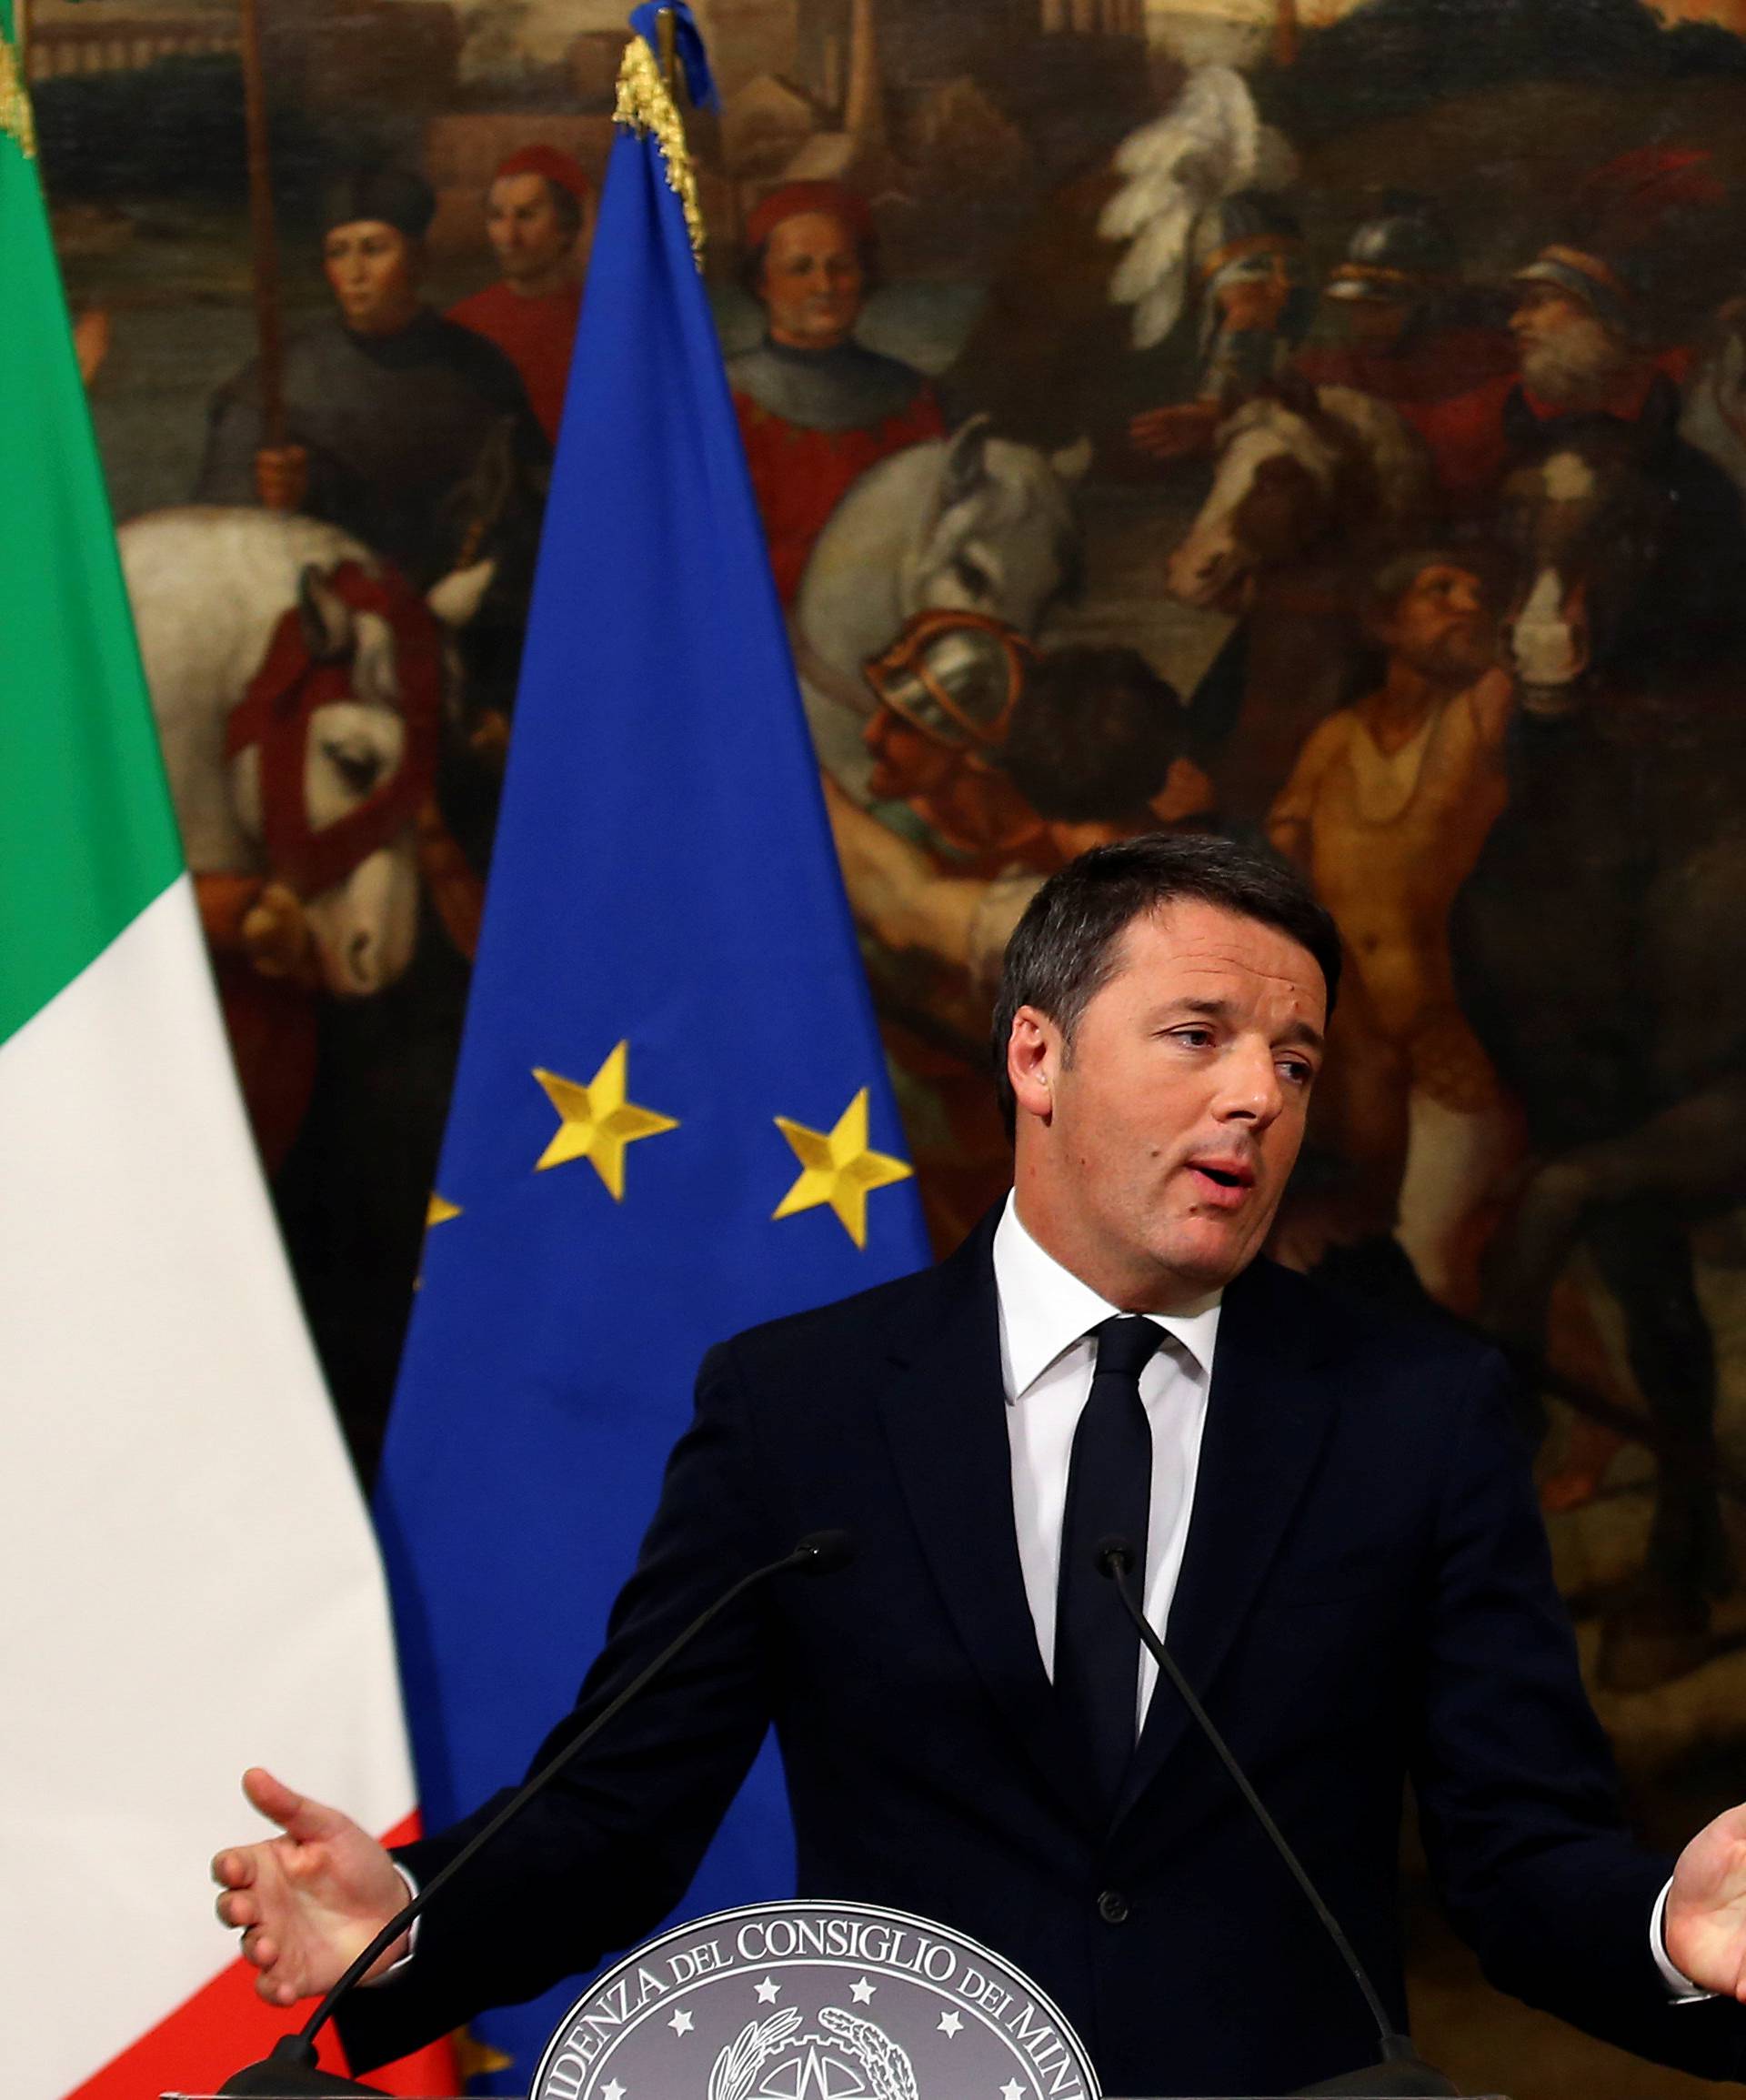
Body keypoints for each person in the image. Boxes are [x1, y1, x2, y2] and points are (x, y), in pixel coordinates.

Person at [213, 838, 1746, 2096]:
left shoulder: (1417, 1410)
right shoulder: (799, 1404)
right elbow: (618, 1805)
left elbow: (1518, 1849)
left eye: (1296, 1057)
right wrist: (413, 1918)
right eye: (1201, 1034)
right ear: (1037, 1051)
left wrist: (1671, 1924)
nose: (1260, 1097)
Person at [1266, 552, 1517, 1311]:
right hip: (1357, 1050)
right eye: (1439, 591)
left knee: (1431, 1268)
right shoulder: (1337, 737)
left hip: (1453, 1042)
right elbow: (1284, 849)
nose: (1465, 603)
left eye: (1477, 590)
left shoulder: (1483, 709)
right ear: (1382, 621)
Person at [196, 166, 548, 589]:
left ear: (417, 259)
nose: (355, 272)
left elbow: (531, 511)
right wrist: (273, 500)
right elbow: (219, 531)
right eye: (338, 252)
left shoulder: (479, 368)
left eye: (374, 249)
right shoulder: (277, 380)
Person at [728, 182, 945, 605]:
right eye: (801, 268)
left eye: (841, 266)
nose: (824, 286)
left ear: (865, 277)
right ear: (762, 282)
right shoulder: (720, 400)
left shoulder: (915, 399)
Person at [448, 146, 591, 445]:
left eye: (526, 216)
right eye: (497, 216)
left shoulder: (598, 320)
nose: (508, 237)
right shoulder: (461, 325)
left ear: (565, 227)